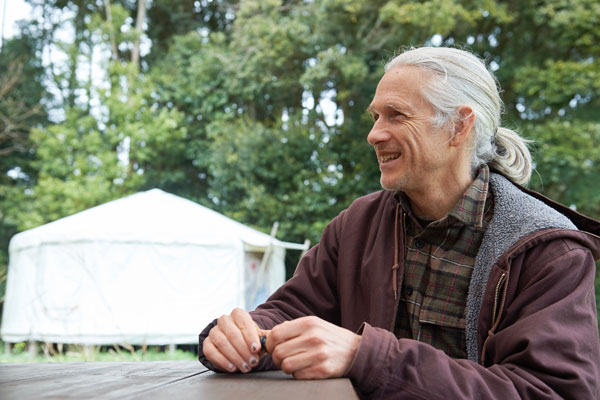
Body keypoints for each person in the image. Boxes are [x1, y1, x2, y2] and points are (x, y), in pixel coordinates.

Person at [198, 46, 600, 399]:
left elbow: (553, 392)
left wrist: (366, 356)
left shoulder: (549, 250)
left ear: (460, 126)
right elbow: (289, 311)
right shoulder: (356, 224)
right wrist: (242, 337)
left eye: (396, 115)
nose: (374, 134)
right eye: (375, 116)